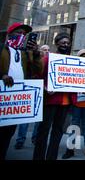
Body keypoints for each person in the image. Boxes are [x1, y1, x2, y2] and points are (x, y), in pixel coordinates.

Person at [0, 22, 42, 160]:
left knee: (8, 133)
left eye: (24, 34)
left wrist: (36, 55)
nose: (22, 36)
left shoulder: (24, 53)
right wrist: (2, 76)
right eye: (19, 33)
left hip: (15, 101)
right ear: (10, 34)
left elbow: (37, 71)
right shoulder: (2, 49)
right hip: (2, 98)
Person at [33, 32, 78, 160]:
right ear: (57, 44)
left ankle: (51, 157)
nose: (66, 45)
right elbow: (37, 76)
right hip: (50, 101)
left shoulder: (72, 60)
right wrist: (45, 88)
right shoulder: (48, 58)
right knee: (43, 131)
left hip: (65, 103)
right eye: (63, 43)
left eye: (68, 43)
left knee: (57, 132)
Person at [61, 49, 85, 159]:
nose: (84, 58)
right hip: (76, 103)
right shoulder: (73, 70)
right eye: (82, 56)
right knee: (74, 126)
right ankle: (70, 149)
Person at [14, 44, 49, 149]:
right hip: (29, 91)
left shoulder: (49, 61)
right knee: (25, 118)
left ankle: (35, 138)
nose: (46, 51)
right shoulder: (32, 59)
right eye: (44, 50)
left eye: (48, 50)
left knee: (39, 119)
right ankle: (20, 140)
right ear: (39, 50)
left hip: (43, 93)